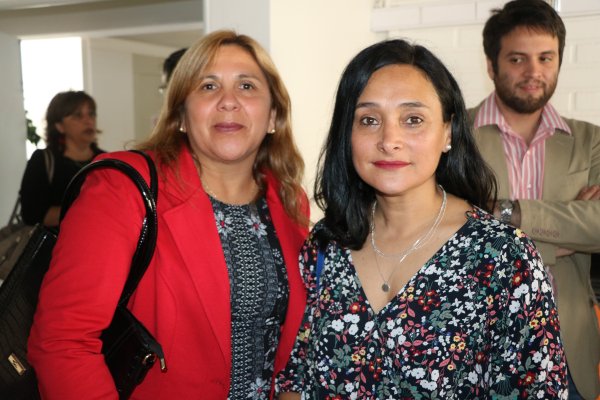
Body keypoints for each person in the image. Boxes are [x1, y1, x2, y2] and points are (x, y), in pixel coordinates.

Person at [276, 38, 567, 399]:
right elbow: (296, 376)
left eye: (412, 120)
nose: (389, 140)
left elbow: (536, 388)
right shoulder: (328, 243)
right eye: (369, 120)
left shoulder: (503, 257)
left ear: (448, 132)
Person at [28, 30, 310, 399]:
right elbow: (62, 340)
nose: (228, 101)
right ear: (180, 115)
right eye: (208, 86)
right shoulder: (123, 188)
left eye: (247, 86)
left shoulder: (289, 200)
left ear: (273, 115)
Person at [468, 1, 600, 398]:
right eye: (517, 59)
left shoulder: (591, 142)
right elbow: (447, 231)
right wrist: (564, 232)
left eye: (546, 57)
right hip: (477, 349)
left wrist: (503, 213)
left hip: (567, 349)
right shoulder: (453, 136)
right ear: (491, 65)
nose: (533, 72)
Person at [19, 90, 105, 227]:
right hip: (57, 240)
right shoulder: (43, 161)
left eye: (91, 114)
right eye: (78, 115)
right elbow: (31, 215)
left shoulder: (106, 161)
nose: (88, 121)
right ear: (59, 126)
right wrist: (88, 208)